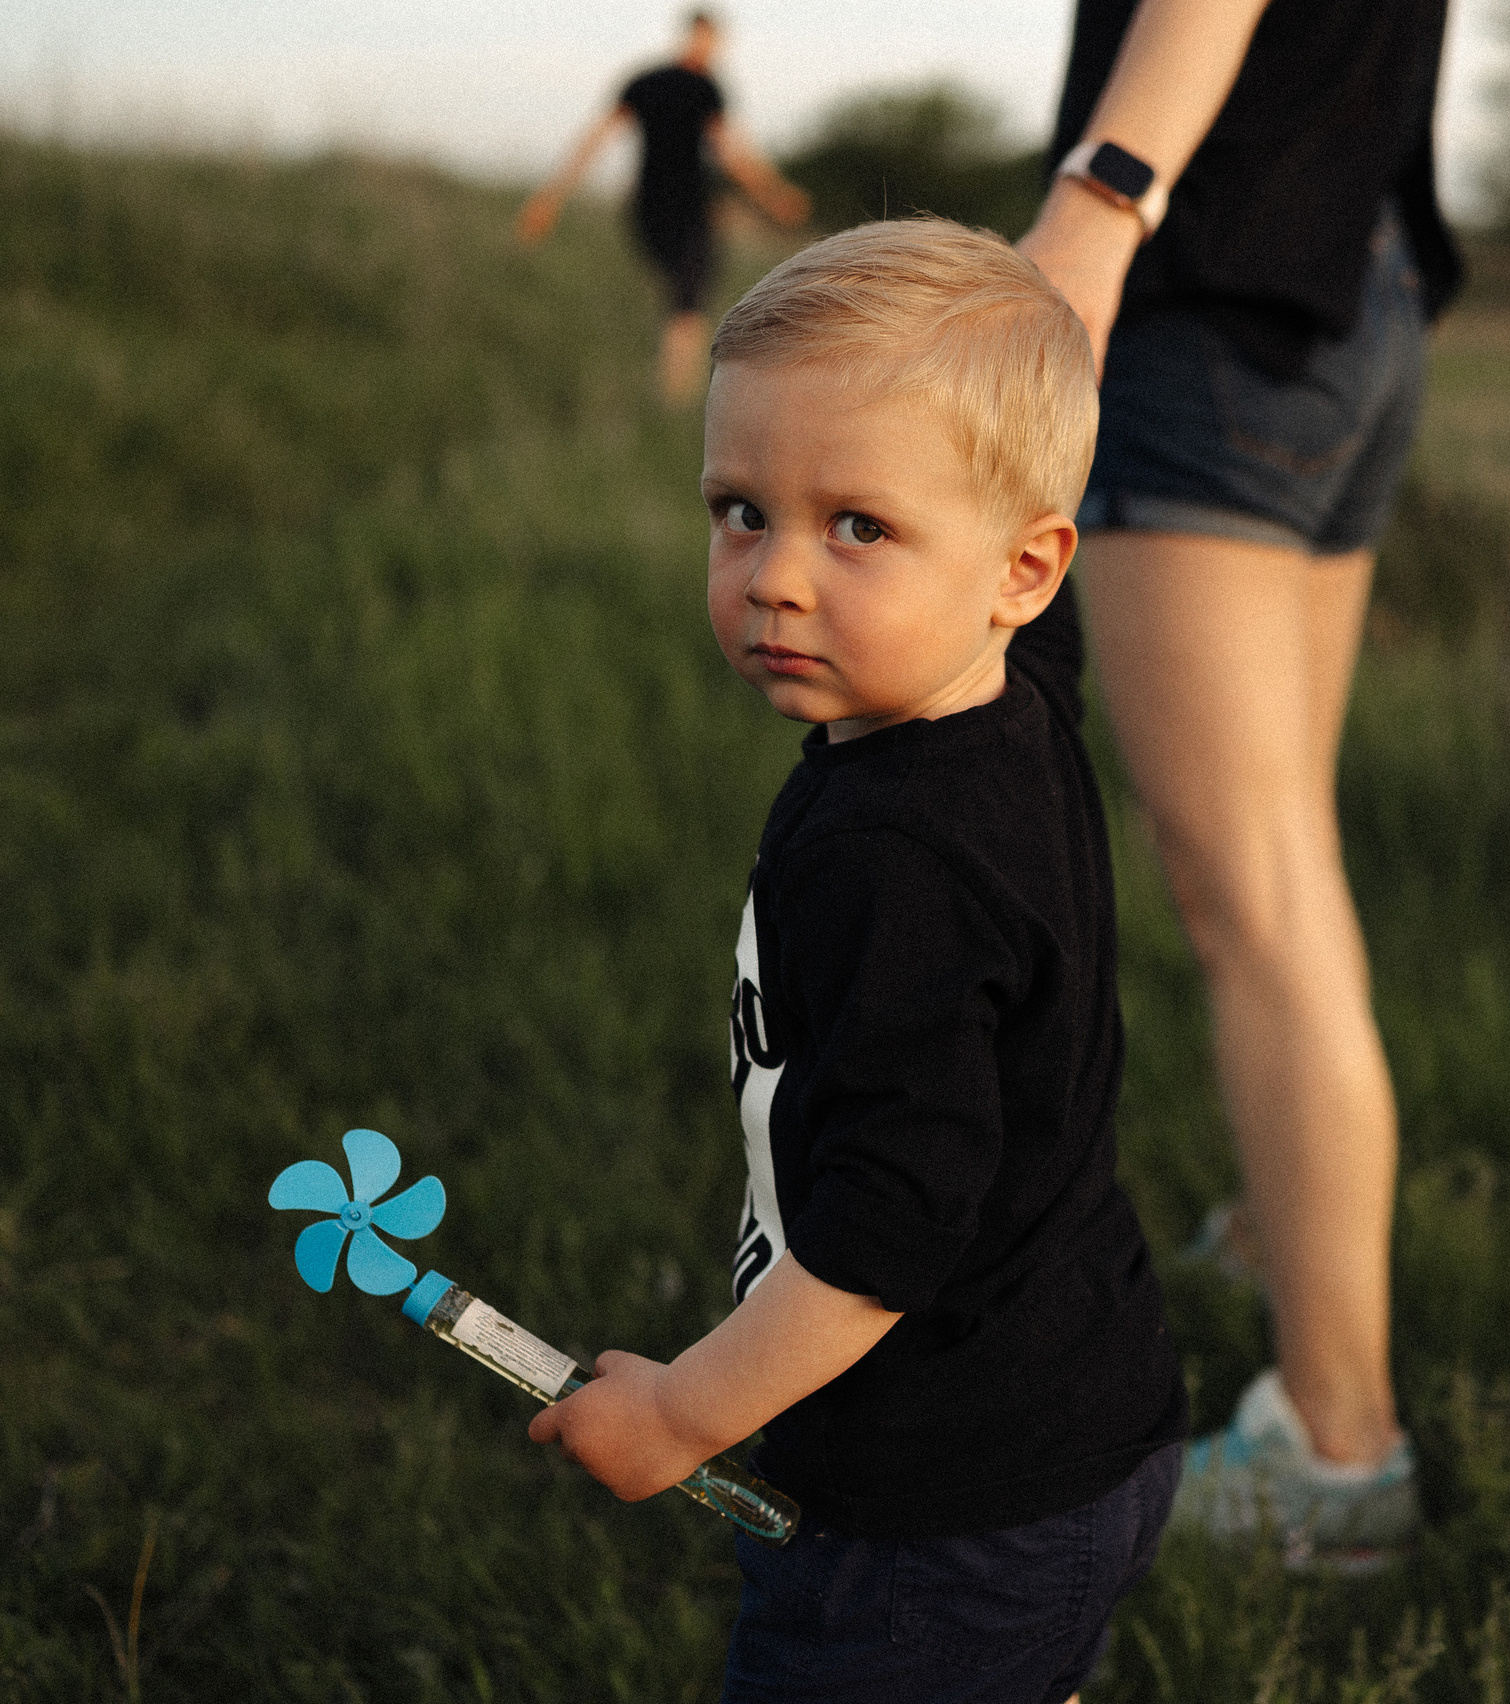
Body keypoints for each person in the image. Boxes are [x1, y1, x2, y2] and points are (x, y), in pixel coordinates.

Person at [528, 219, 1186, 1703]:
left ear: (1023, 572)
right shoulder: (1008, 690)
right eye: (741, 510)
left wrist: (687, 1411)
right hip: (1083, 1413)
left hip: (942, 1500)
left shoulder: (895, 860)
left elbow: (891, 1226)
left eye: (858, 529)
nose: (776, 577)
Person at [1014, 0, 1464, 1571]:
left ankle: (1341, 1456)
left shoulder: (1140, 229)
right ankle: (1286, 1231)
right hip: (1355, 277)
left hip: (1209, 293)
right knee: (1284, 850)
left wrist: (1098, 202)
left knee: (1251, 890)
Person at [516, 9, 809, 403]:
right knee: (689, 301)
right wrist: (775, 196)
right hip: (685, 208)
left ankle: (673, 390)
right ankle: (675, 399)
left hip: (648, 208)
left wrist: (548, 199)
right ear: (704, 40)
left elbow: (594, 139)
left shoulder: (645, 80)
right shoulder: (703, 87)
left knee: (683, 297)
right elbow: (730, 154)